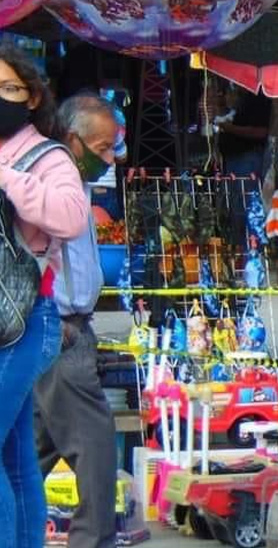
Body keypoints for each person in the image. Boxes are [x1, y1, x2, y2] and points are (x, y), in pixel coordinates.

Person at [0, 45, 90, 548]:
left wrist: (6, 178)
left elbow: (71, 217)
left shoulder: (46, 156)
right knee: (15, 457)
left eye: (7, 89)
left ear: (32, 97)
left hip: (22, 318)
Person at [34, 93, 120, 548]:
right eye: (103, 148)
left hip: (68, 327)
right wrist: (58, 321)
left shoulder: (78, 186)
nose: (111, 159)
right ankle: (93, 541)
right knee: (96, 448)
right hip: (59, 330)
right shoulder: (50, 185)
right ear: (73, 140)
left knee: (32, 450)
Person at [214, 86, 270, 178]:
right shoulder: (242, 99)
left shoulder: (257, 99)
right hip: (234, 159)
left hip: (247, 159)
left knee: (245, 190)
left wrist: (229, 128)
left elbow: (261, 132)